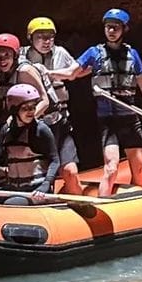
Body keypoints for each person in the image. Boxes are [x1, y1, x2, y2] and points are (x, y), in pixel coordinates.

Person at [55, 7, 142, 197]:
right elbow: (71, 73)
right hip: (108, 121)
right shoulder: (94, 53)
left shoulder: (133, 54)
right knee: (111, 168)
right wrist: (47, 73)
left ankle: (136, 204)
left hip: (130, 119)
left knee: (138, 168)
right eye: (108, 27)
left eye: (115, 27)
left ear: (124, 29)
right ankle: (104, 205)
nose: (111, 31)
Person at [18, 16, 83, 195]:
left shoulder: (60, 53)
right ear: (31, 38)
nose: (47, 41)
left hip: (60, 121)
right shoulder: (21, 56)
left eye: (50, 36)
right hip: (36, 125)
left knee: (70, 171)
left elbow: (78, 71)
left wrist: (56, 74)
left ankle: (80, 208)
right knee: (43, 175)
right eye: (41, 36)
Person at [0, 83, 60, 204]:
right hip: (13, 189)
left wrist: (46, 184)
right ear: (14, 110)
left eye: (33, 107)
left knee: (11, 203)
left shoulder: (41, 130)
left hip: (35, 190)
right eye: (25, 108)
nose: (31, 112)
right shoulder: (6, 130)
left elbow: (55, 160)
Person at [0, 32, 48, 115]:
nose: (2, 60)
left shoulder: (25, 71)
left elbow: (45, 101)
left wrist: (25, 121)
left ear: (15, 55)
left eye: (7, 55)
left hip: (46, 119)